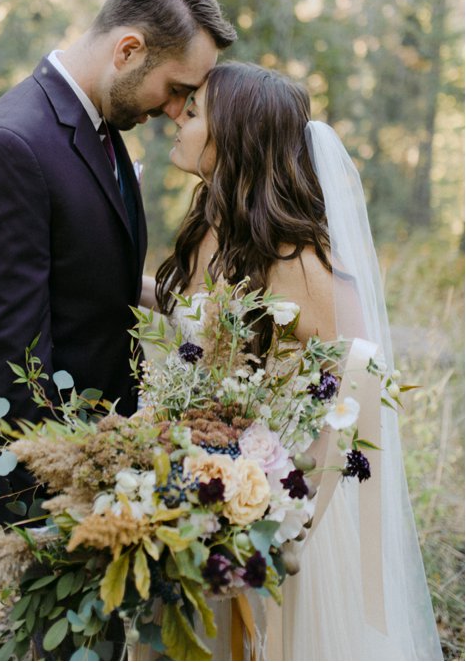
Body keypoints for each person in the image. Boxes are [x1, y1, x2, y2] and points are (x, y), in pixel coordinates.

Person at [140, 61, 442, 660]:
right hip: (194, 480)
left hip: (276, 502)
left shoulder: (301, 260)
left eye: (194, 111)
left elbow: (362, 374)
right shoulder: (210, 226)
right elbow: (196, 316)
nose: (176, 116)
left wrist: (289, 487)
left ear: (234, 137)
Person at [0, 0, 237, 529]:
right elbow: (7, 353)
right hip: (47, 474)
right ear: (128, 50)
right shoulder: (11, 146)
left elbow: (92, 280)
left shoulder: (100, 126)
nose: (178, 110)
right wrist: (60, 481)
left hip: (104, 458)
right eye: (177, 89)